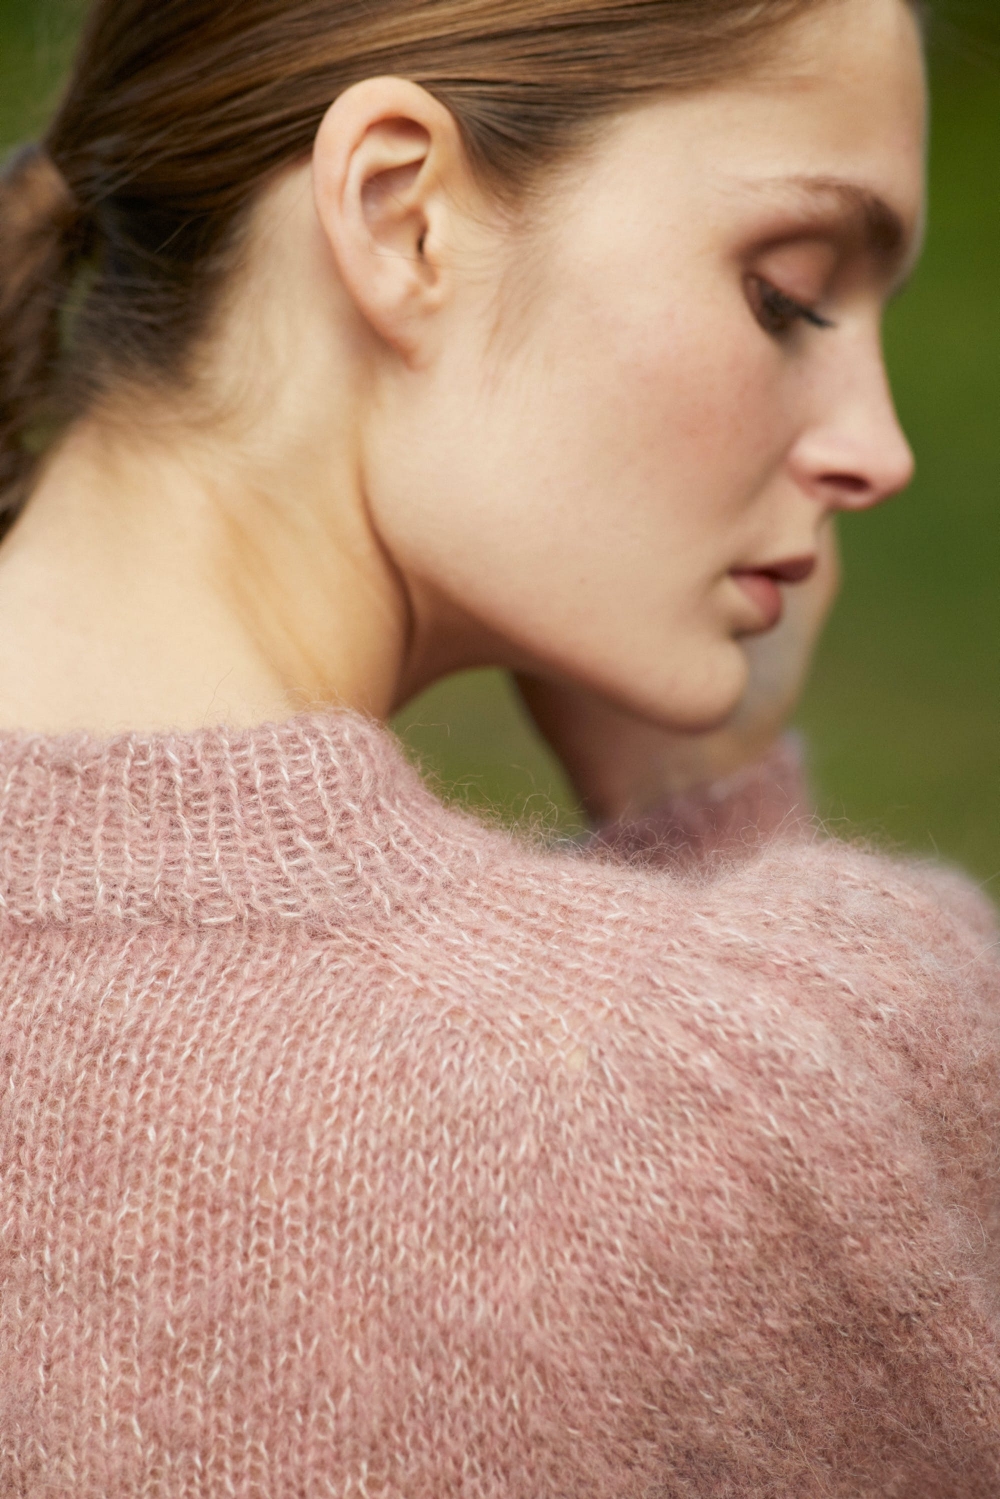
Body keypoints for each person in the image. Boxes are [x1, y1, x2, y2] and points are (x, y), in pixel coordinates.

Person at [0, 0, 996, 1492]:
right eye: (787, 298)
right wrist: (715, 823)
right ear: (401, 216)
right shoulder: (721, 1101)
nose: (879, 448)